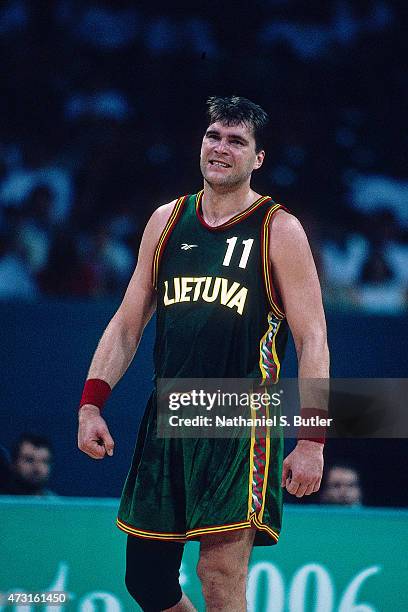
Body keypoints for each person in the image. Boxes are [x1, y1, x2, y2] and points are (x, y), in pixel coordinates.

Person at [78, 96, 329, 611]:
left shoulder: (279, 229)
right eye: (213, 137)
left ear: (258, 158)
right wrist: (90, 404)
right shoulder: (167, 221)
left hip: (240, 415)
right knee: (146, 581)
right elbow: (127, 324)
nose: (220, 149)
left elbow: (313, 340)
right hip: (169, 413)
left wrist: (312, 440)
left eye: (236, 141)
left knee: (218, 575)